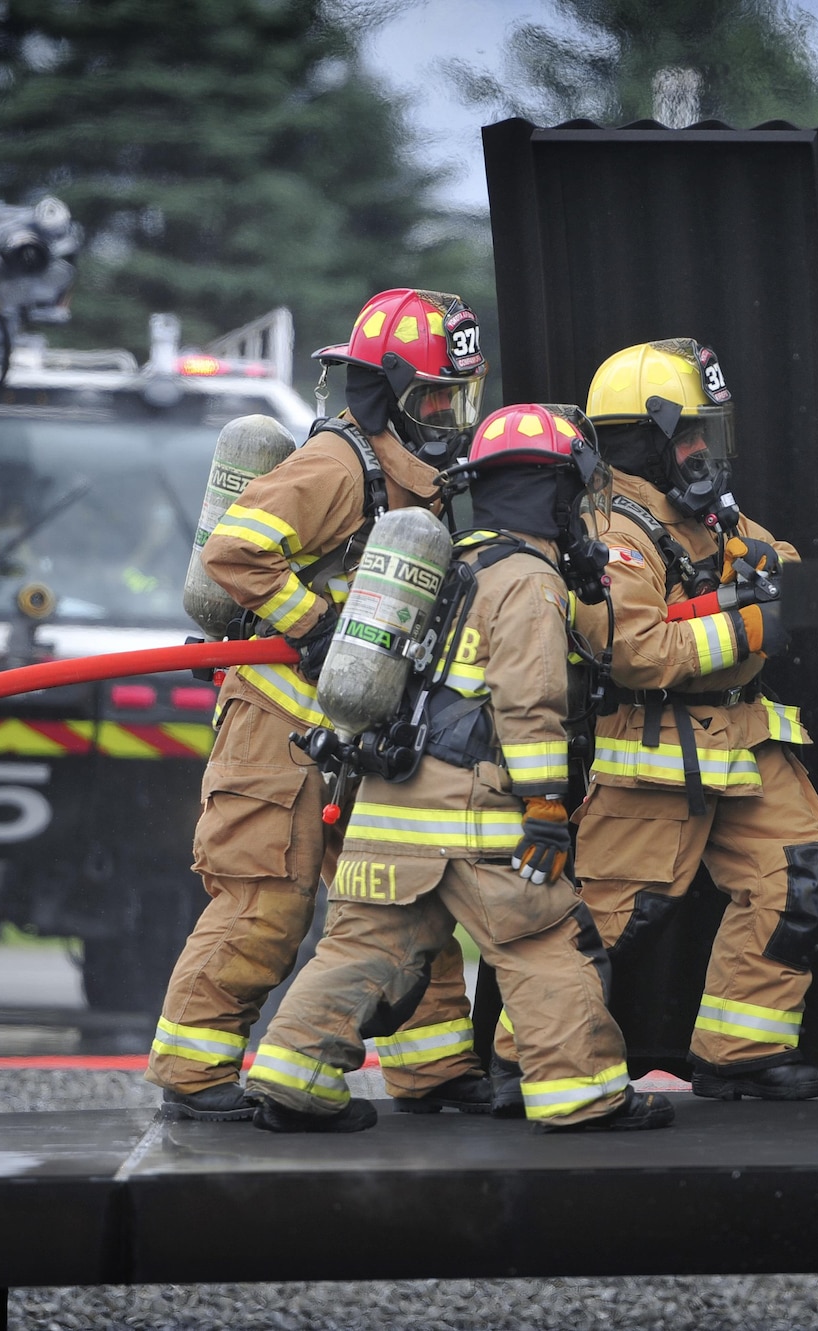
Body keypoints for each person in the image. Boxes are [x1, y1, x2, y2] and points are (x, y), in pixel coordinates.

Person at [248, 404, 674, 1133]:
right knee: (546, 938)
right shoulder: (528, 580)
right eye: (573, 495)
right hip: (472, 813)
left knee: (361, 946)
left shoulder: (450, 559)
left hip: (387, 804)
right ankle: (581, 1095)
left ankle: (292, 1076)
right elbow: (529, 701)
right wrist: (544, 807)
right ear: (552, 492)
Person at [147, 290, 491, 1120]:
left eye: (457, 397)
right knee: (265, 901)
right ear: (387, 394)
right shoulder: (340, 466)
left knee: (396, 894)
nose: (447, 415)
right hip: (278, 727)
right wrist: (316, 623)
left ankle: (435, 1072)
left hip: (353, 728)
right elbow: (237, 546)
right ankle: (193, 1078)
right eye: (434, 398)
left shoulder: (419, 480)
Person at [510, 339, 818, 1103]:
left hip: (746, 740)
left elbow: (772, 554)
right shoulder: (614, 531)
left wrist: (766, 576)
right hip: (654, 749)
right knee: (607, 919)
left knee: (796, 876)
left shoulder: (702, 508)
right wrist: (750, 622)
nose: (703, 450)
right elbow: (636, 650)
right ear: (645, 440)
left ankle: (739, 1051)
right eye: (691, 435)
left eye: (707, 434)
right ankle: (521, 1052)